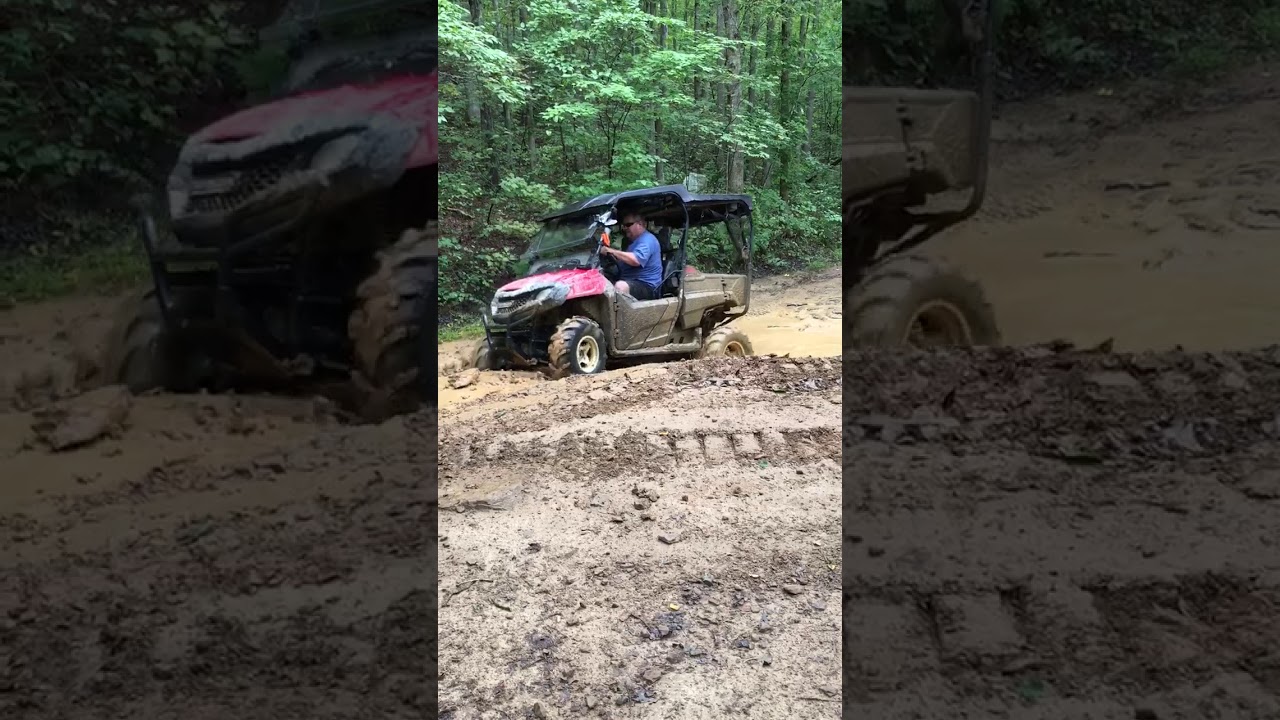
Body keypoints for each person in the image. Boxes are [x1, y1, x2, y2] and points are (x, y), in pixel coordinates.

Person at [600, 212, 662, 300]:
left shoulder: (647, 239)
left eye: (628, 225)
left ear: (640, 224)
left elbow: (636, 260)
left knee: (620, 286)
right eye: (623, 225)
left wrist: (610, 251)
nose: (624, 228)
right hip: (630, 280)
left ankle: (619, 309)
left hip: (647, 286)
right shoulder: (633, 243)